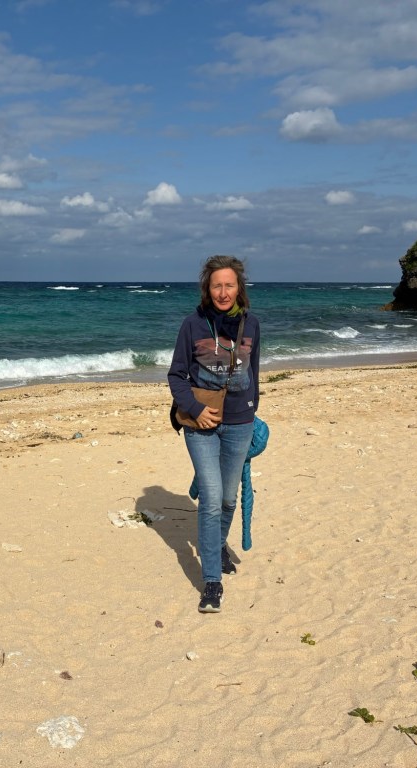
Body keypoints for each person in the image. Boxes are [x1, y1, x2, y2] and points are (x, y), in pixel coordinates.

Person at [168, 255, 261, 613]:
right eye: (217, 285)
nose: (223, 292)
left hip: (240, 423)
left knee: (228, 499)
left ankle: (218, 544)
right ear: (207, 289)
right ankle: (211, 582)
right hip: (200, 424)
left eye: (229, 285)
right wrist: (194, 409)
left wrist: (251, 411)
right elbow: (176, 375)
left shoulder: (251, 324)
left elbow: (254, 372)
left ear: (239, 288)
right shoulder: (193, 324)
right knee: (210, 498)